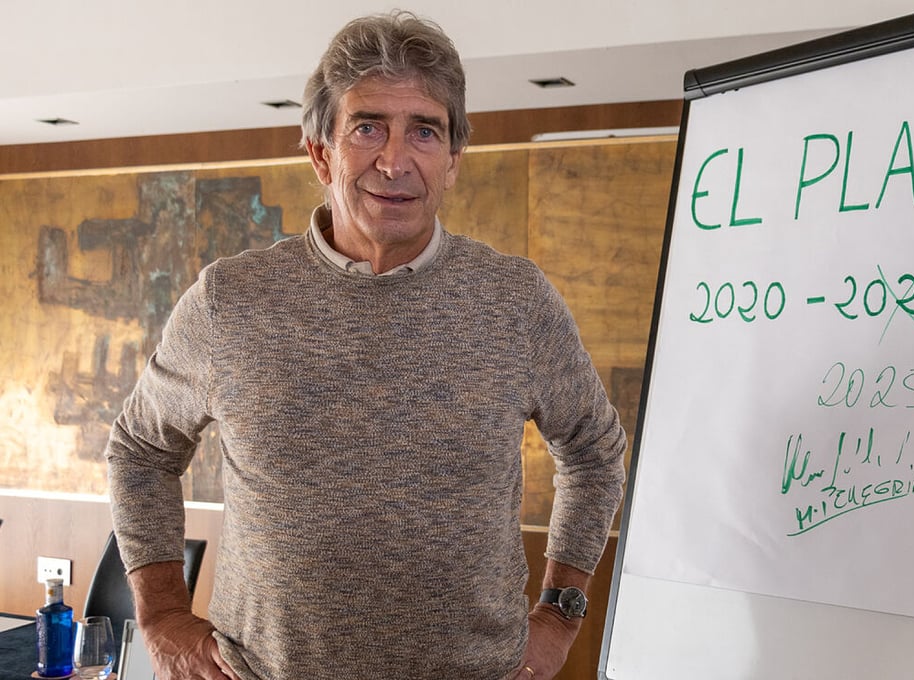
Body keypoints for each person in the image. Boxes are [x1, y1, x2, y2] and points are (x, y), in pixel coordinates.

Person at [105, 10, 626, 680]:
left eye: (425, 131)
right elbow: (140, 450)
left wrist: (560, 613)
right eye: (368, 127)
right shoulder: (229, 301)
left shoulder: (515, 301)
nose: (395, 160)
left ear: (453, 161)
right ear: (320, 153)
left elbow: (594, 451)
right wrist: (160, 615)